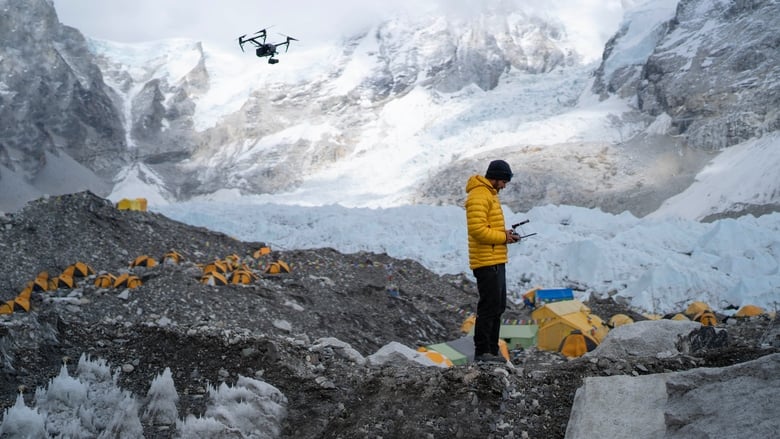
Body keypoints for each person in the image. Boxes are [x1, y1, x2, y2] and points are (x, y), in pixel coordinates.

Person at [465, 159, 519, 363]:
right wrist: (504, 237)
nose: (504, 186)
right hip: (486, 261)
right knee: (489, 307)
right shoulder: (479, 195)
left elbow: (487, 227)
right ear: (495, 177)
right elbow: (478, 231)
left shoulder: (489, 194)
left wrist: (505, 235)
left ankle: (492, 350)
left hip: (495, 258)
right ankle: (482, 352)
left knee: (498, 306)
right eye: (504, 181)